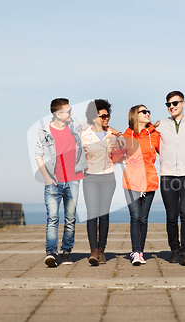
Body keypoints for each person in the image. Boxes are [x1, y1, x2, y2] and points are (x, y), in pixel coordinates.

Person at [35, 98, 87, 267]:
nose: (71, 114)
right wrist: (47, 178)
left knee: (70, 218)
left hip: (73, 181)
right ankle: (51, 252)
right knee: (52, 218)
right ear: (58, 114)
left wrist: (115, 133)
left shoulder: (75, 126)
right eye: (68, 111)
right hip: (53, 182)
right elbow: (38, 155)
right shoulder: (44, 132)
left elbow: (97, 125)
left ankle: (66, 251)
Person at [157, 91, 185, 266]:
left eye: (175, 103)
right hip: (167, 175)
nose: (172, 107)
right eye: (168, 104)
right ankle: (174, 250)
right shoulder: (160, 125)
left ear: (183, 103)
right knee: (171, 215)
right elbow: (140, 132)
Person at [114, 105, 160, 266]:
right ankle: (136, 252)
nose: (148, 114)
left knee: (143, 218)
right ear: (135, 115)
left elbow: (167, 151)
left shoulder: (154, 135)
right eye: (144, 112)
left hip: (149, 180)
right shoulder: (126, 135)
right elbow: (115, 157)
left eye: (149, 112)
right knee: (135, 216)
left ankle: (141, 251)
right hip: (131, 181)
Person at [81, 99, 122, 266]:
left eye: (108, 115)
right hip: (90, 177)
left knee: (104, 215)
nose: (106, 118)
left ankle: (102, 251)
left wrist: (116, 133)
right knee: (92, 214)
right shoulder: (84, 135)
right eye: (103, 116)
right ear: (93, 117)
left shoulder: (111, 135)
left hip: (108, 177)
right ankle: (93, 250)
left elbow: (124, 149)